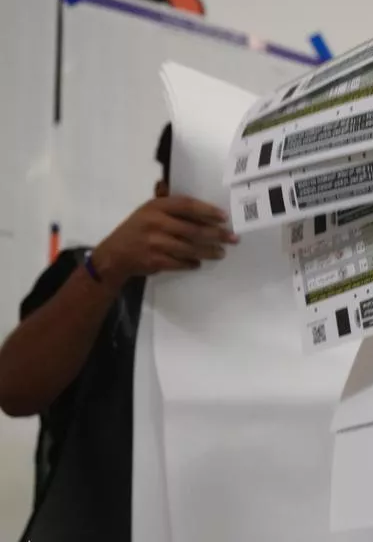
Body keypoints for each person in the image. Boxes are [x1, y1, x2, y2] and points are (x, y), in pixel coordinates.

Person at [0, 125, 236, 541]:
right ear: (163, 192)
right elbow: (13, 389)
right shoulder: (93, 277)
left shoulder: (277, 316)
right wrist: (106, 266)